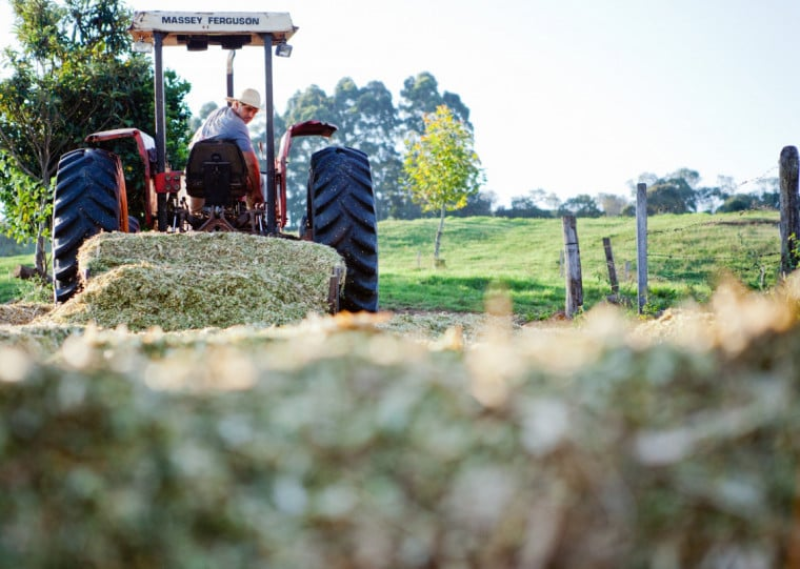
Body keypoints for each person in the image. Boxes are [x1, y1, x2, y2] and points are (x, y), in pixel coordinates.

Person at [188, 87, 264, 211]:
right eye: (248, 109)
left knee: (197, 181)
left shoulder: (217, 114)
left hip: (197, 175)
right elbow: (250, 163)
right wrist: (257, 191)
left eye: (255, 112)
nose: (251, 115)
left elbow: (194, 143)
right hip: (226, 178)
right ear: (237, 104)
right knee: (258, 179)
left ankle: (195, 215)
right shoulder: (239, 126)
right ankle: (252, 218)